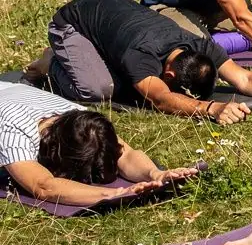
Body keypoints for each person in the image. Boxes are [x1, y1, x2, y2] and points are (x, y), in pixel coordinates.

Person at [24, 0, 252, 120]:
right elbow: (161, 100)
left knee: (119, 81)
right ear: (169, 76)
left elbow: (244, 78)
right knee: (98, 90)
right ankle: (52, 61)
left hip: (116, 20)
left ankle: (86, 56)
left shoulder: (199, 46)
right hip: (73, 23)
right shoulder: (141, 56)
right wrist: (211, 109)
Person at [0, 80, 198, 207]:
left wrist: (157, 174)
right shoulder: (11, 130)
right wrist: (112, 194)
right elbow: (43, 186)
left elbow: (126, 155)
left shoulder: (78, 118)